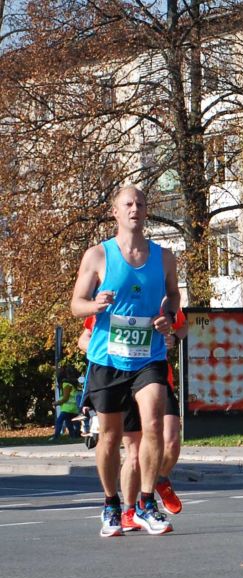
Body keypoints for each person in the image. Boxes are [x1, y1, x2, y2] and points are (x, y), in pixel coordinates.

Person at [70, 185, 180, 537]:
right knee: (110, 436)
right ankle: (110, 504)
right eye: (128, 204)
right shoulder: (98, 256)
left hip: (149, 355)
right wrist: (94, 305)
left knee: (153, 425)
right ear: (115, 212)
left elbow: (174, 296)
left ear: (147, 212)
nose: (135, 209)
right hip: (107, 358)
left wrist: (168, 315)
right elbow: (76, 304)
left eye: (141, 204)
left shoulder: (164, 257)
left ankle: (146, 502)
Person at [79, 312, 187, 531]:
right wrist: (105, 353)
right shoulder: (109, 300)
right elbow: (84, 337)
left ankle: (159, 478)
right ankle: (130, 510)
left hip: (153, 376)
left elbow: (184, 326)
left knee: (171, 441)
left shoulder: (159, 295)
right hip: (118, 375)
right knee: (134, 453)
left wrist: (173, 338)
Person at [51, 373, 81, 440]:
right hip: (74, 408)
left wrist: (56, 403)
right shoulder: (71, 385)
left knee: (59, 421)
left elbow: (65, 398)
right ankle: (73, 436)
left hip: (68, 408)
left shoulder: (66, 385)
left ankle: (56, 436)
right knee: (69, 422)